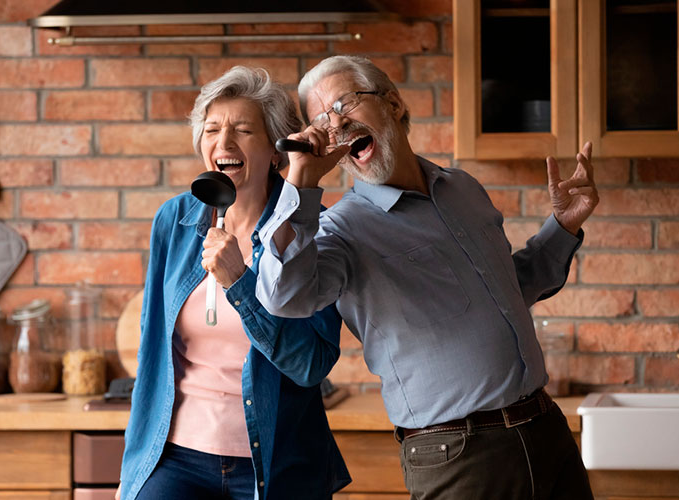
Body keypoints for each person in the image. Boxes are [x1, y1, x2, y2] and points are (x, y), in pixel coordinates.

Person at [255, 55, 599, 499]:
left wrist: (563, 227)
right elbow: (284, 297)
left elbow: (511, 289)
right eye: (320, 119)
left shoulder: (463, 189)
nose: (334, 125)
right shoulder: (339, 230)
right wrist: (300, 184)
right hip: (458, 456)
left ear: (394, 104)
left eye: (344, 104)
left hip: (545, 430)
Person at [117, 66, 350, 500]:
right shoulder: (176, 219)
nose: (223, 144)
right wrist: (135, 470)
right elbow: (152, 348)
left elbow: (311, 365)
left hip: (277, 465)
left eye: (242, 130)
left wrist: (239, 282)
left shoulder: (309, 228)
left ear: (276, 151)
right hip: (175, 458)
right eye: (211, 130)